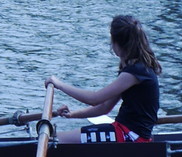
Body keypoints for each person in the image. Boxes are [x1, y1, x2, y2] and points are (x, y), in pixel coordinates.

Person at [44, 15, 162, 144]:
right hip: (125, 132)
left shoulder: (135, 72)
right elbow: (104, 107)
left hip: (130, 136)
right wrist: (73, 114)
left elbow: (95, 99)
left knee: (56, 140)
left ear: (118, 43)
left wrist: (58, 84)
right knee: (56, 138)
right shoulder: (136, 68)